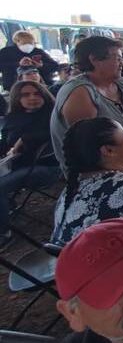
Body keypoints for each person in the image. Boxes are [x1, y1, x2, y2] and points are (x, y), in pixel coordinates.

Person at [51, 36, 123, 171]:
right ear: (94, 60)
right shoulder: (80, 93)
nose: (122, 63)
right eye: (117, 58)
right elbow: (90, 148)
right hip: (100, 175)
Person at [0, 81, 60, 248]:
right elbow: (5, 145)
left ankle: (3, 233)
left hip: (47, 167)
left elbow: (55, 133)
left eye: (36, 93)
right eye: (25, 95)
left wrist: (26, 139)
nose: (32, 98)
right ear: (17, 98)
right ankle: (6, 208)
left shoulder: (53, 114)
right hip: (15, 166)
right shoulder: (12, 119)